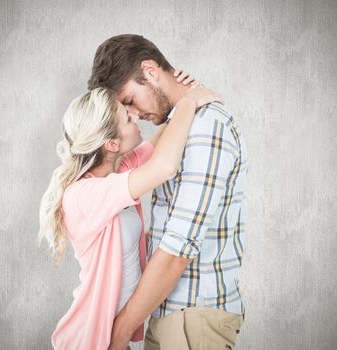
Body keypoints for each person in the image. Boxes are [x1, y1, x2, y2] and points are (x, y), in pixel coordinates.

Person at [88, 34, 248, 350]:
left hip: (193, 319)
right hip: (165, 312)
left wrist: (120, 331)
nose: (131, 115)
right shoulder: (181, 125)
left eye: (130, 101)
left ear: (150, 70)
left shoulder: (207, 125)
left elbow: (178, 248)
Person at [38, 73, 221, 349]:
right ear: (112, 144)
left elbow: (161, 144)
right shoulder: (83, 195)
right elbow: (164, 167)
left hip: (114, 334)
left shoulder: (118, 170)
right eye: (127, 117)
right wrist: (186, 105)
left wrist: (180, 90)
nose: (135, 116)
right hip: (90, 338)